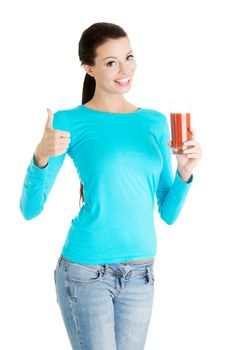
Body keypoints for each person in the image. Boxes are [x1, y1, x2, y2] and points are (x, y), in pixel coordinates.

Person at [19, 22, 202, 350]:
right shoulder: (68, 121)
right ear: (88, 68)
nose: (125, 69)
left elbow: (169, 212)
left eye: (129, 57)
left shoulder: (155, 122)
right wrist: (40, 156)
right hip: (86, 273)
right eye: (111, 62)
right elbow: (30, 210)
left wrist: (185, 172)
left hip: (141, 274)